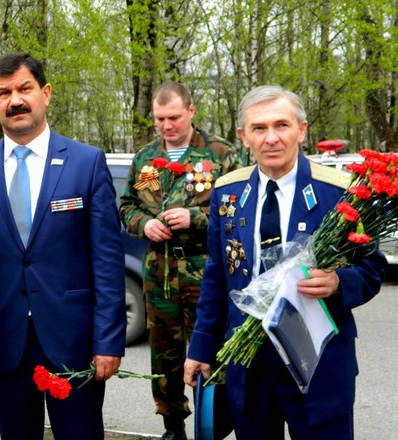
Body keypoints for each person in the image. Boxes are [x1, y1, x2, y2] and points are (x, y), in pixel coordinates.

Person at [183, 85, 387, 440]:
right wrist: (201, 347)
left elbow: (372, 268)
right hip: (250, 368)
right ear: (243, 136)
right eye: (259, 128)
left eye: (282, 125)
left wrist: (339, 283)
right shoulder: (228, 192)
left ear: (301, 130)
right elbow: (217, 275)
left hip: (318, 366)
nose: (271, 138)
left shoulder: (340, 191)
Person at [0, 53, 126, 440]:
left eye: (24, 88)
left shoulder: (86, 163)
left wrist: (109, 339)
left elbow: (107, 261)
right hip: (7, 342)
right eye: (4, 93)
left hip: (74, 342)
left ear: (45, 93)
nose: (15, 100)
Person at [119, 81, 243, 440]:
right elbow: (128, 206)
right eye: (159, 119)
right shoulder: (146, 160)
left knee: (211, 349)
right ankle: (172, 425)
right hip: (160, 271)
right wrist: (145, 224)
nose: (166, 126)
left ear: (190, 111)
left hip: (203, 269)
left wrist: (196, 219)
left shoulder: (220, 154)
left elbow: (238, 209)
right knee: (164, 355)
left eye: (173, 117)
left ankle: (213, 424)